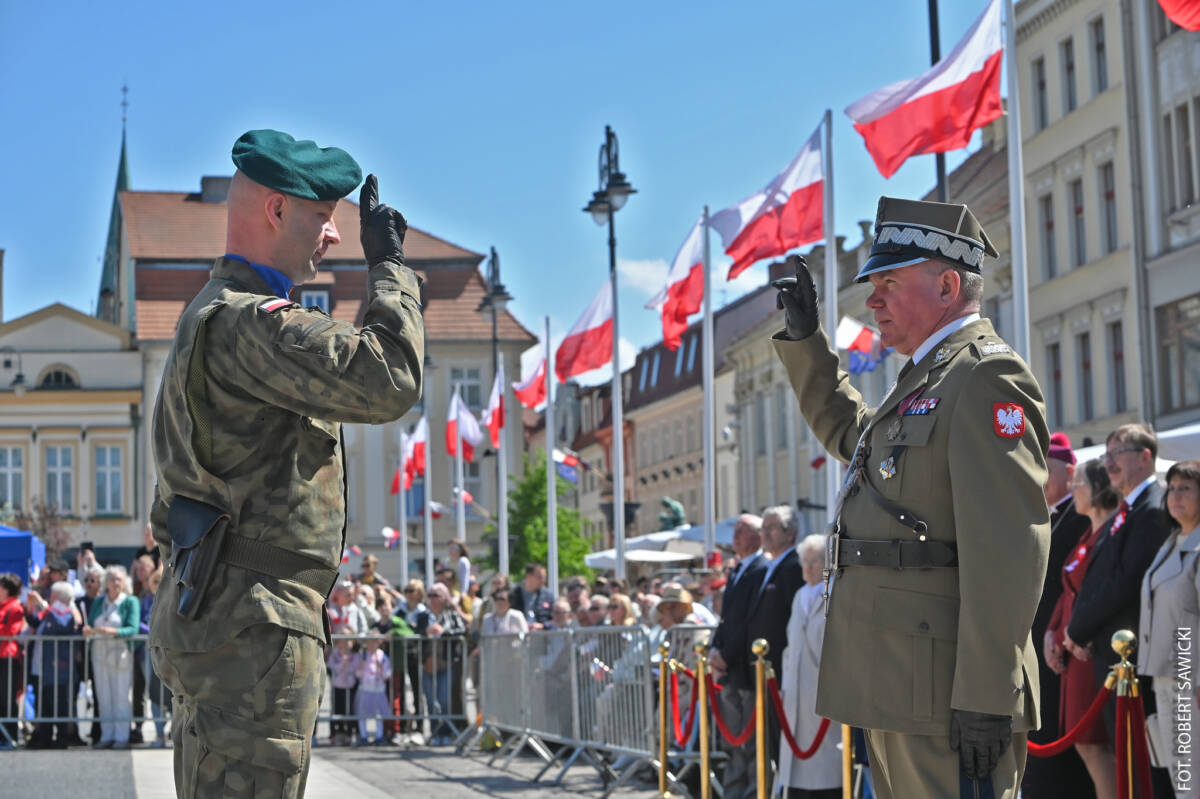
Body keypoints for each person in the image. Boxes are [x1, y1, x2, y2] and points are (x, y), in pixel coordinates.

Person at [148, 130, 423, 797]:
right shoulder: (250, 322)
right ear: (276, 210)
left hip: (229, 616)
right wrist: (389, 268)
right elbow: (389, 376)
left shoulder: (210, 314)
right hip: (254, 626)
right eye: (322, 215)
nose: (334, 234)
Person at [773, 196, 1050, 797]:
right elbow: (856, 439)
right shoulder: (930, 377)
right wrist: (806, 342)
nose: (872, 301)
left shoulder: (984, 377)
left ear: (947, 285)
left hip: (948, 688)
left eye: (889, 283)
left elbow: (1009, 552)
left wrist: (986, 692)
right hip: (901, 679)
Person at [1066, 424, 1171, 742]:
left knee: (1140, 758)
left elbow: (1125, 582)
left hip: (1135, 659)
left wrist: (1078, 628)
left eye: (1117, 454)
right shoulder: (1126, 511)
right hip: (1110, 655)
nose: (1108, 463)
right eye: (1106, 455)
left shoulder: (1153, 509)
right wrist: (1078, 628)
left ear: (1145, 457)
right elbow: (1097, 576)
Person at [1025, 433, 1096, 799]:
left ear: (1070, 474)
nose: (1038, 478)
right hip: (1040, 646)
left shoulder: (1080, 518)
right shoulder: (1044, 516)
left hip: (1064, 647)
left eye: (1045, 470)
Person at [1045, 459, 1119, 799]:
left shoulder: (1110, 534)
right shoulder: (1089, 533)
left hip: (1087, 651)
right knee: (1086, 747)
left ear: (1099, 488)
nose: (1074, 490)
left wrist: (1070, 635)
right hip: (1071, 650)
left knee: (1095, 746)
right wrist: (1052, 632)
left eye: (1081, 484)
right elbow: (1068, 592)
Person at [1140, 460, 1200, 795]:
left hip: (1190, 678)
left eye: (1186, 488)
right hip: (1165, 674)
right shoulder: (1173, 541)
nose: (1175, 495)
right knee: (1180, 774)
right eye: (1172, 488)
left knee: (1192, 775)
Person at [709, 513, 768, 799]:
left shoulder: (761, 568)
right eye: (735, 530)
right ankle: (733, 792)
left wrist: (727, 655)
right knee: (732, 739)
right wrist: (715, 649)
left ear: (758, 536)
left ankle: (753, 792)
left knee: (752, 740)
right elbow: (727, 618)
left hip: (745, 667)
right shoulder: (737, 569)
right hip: (730, 669)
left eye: (742, 531)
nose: (735, 536)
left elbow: (748, 621)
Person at [778, 535, 841, 798]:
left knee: (825, 766)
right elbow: (790, 644)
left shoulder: (835, 594)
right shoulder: (799, 595)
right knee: (797, 765)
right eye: (804, 562)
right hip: (795, 692)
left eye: (814, 562)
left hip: (821, 691)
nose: (807, 568)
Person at [744, 506, 804, 765]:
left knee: (781, 735)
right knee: (768, 737)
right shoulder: (769, 566)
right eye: (763, 528)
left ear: (790, 533)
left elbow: (794, 619)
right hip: (764, 668)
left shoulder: (794, 566)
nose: (765, 534)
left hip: (780, 667)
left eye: (772, 528)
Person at [86, 564, 140, 749]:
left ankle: (121, 736)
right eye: (112, 579)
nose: (115, 583)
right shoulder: (99, 602)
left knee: (121, 695)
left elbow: (133, 628)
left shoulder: (130, 601)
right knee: (103, 695)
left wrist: (113, 631)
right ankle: (106, 735)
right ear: (106, 582)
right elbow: (91, 623)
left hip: (120, 652)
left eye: (119, 579)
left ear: (124, 582)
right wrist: (88, 630)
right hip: (100, 651)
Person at [29, 581, 83, 749]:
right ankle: (45, 738)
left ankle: (61, 738)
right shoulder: (49, 612)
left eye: (52, 595)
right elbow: (35, 622)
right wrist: (30, 607)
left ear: (58, 596)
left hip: (59, 670)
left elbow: (62, 623)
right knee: (44, 704)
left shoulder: (66, 612)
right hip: (43, 669)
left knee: (60, 705)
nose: (49, 597)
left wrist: (43, 605)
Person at [423, 583, 467, 745]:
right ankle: (434, 733)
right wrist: (426, 631)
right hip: (427, 664)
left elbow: (461, 630)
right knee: (430, 700)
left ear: (444, 598)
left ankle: (446, 733)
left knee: (444, 699)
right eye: (430, 595)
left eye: (436, 595)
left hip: (446, 663)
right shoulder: (423, 616)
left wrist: (443, 633)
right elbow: (414, 630)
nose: (432, 599)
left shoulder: (452, 615)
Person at [354, 634, 393, 746]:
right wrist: (362, 666)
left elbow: (387, 674)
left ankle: (379, 736)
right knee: (362, 713)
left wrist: (381, 668)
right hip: (365, 689)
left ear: (378, 642)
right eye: (369, 642)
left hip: (378, 689)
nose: (371, 644)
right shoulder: (362, 655)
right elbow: (358, 674)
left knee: (378, 714)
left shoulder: (382, 656)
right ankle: (363, 736)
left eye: (374, 642)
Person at [0, 573, 23, 749]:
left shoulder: (15, 607)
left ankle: (11, 735)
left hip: (8, 656)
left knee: (7, 699)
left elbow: (12, 631)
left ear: (7, 589)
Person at [326, 626, 358, 746]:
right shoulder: (335, 655)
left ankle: (350, 733)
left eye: (348, 639)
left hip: (350, 687)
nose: (344, 643)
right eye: (342, 640)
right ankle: (337, 733)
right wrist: (342, 664)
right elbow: (332, 667)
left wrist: (346, 664)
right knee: (337, 709)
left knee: (350, 710)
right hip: (337, 686)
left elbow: (355, 669)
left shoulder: (355, 656)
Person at [511, 564, 554, 629]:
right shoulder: (514, 594)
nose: (543, 581)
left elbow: (555, 618)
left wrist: (543, 625)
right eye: (540, 577)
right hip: (518, 632)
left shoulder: (548, 596)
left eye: (544, 577)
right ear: (528, 576)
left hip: (543, 633)